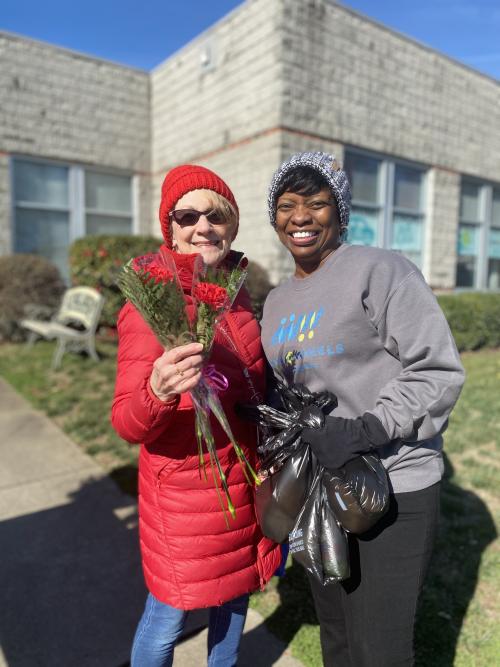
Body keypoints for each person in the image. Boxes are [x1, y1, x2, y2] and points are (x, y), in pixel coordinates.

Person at [260, 151, 465, 667]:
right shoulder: (277, 302)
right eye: (286, 205)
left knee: (380, 649)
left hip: (393, 481)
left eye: (316, 203)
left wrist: (366, 429)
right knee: (338, 636)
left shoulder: (379, 270)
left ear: (340, 211)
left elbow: (436, 370)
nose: (300, 217)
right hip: (320, 489)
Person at [111, 164, 280, 667]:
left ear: (232, 225)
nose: (202, 226)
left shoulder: (239, 296)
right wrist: (157, 390)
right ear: (171, 228)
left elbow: (253, 385)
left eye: (216, 214)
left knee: (233, 604)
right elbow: (127, 423)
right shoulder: (151, 304)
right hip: (187, 500)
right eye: (187, 215)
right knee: (167, 619)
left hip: (244, 482)